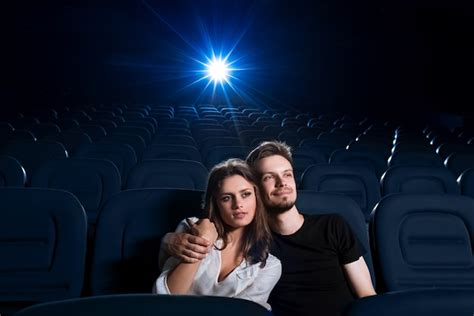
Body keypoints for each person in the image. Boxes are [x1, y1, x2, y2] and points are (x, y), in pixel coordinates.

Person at [160, 141, 376, 316]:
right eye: (269, 177)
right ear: (256, 190)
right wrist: (169, 240)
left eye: (287, 174)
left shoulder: (333, 225)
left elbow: (367, 296)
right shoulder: (254, 244)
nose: (282, 183)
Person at [153, 158, 282, 311]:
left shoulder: (268, 266)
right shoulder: (192, 227)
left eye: (245, 194)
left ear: (256, 198)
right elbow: (164, 299)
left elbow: (244, 313)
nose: (238, 204)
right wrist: (203, 241)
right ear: (216, 204)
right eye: (226, 198)